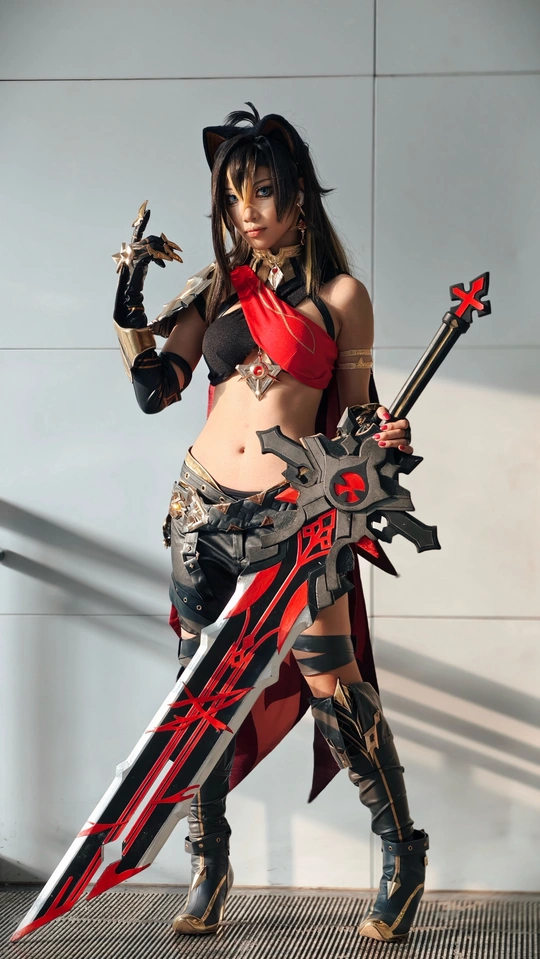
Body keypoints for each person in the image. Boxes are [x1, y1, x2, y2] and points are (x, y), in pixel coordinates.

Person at [112, 103, 429, 944]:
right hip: (200, 511)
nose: (244, 212)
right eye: (231, 197)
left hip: (299, 518)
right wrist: (127, 304)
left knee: (335, 683)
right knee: (199, 695)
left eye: (260, 191)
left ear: (297, 194)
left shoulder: (342, 298)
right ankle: (209, 864)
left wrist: (388, 435)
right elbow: (157, 389)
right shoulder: (219, 285)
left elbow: (356, 417)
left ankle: (402, 853)